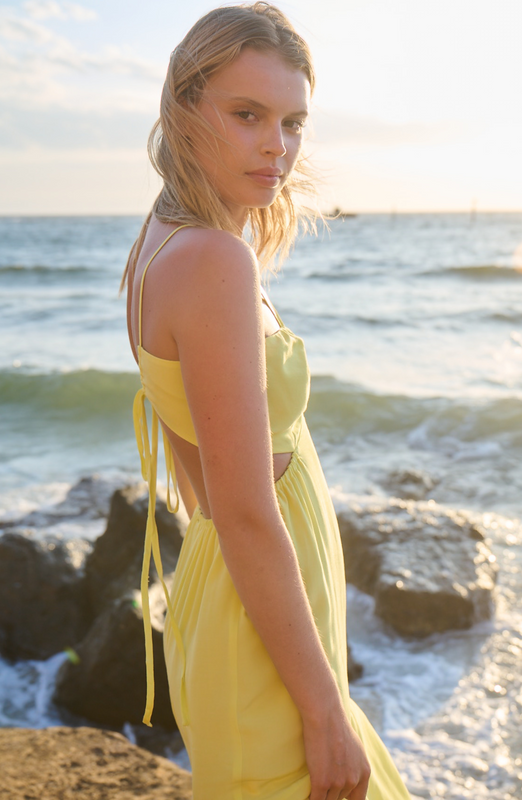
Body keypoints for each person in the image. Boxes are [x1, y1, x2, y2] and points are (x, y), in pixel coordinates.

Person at [122, 4, 412, 799]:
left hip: (236, 599)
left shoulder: (160, 241)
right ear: (183, 109)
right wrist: (325, 712)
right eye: (246, 115)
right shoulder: (214, 261)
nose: (275, 146)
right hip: (259, 631)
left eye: (290, 122)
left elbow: (196, 474)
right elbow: (244, 509)